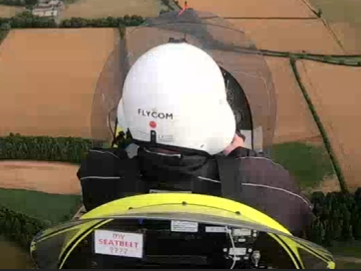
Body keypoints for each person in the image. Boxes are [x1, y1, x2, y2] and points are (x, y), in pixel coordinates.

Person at [77, 42, 312, 236]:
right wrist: (243, 158)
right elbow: (299, 220)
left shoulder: (98, 172)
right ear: (217, 120)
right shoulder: (264, 183)